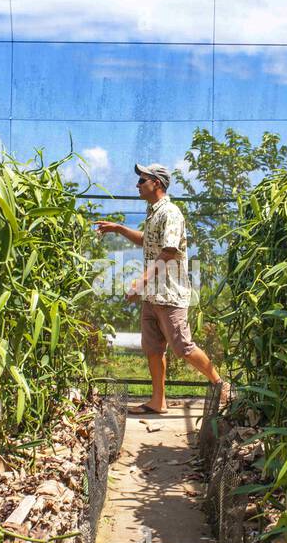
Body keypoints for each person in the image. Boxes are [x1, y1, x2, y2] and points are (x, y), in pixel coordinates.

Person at [93, 163, 227, 415]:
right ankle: (158, 401)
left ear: (157, 183)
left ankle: (221, 385)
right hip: (153, 295)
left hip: (170, 294)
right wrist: (119, 229)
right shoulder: (153, 212)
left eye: (142, 180)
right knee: (153, 349)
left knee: (183, 347)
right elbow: (148, 241)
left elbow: (168, 251)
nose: (137, 185)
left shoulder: (171, 213)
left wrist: (140, 282)